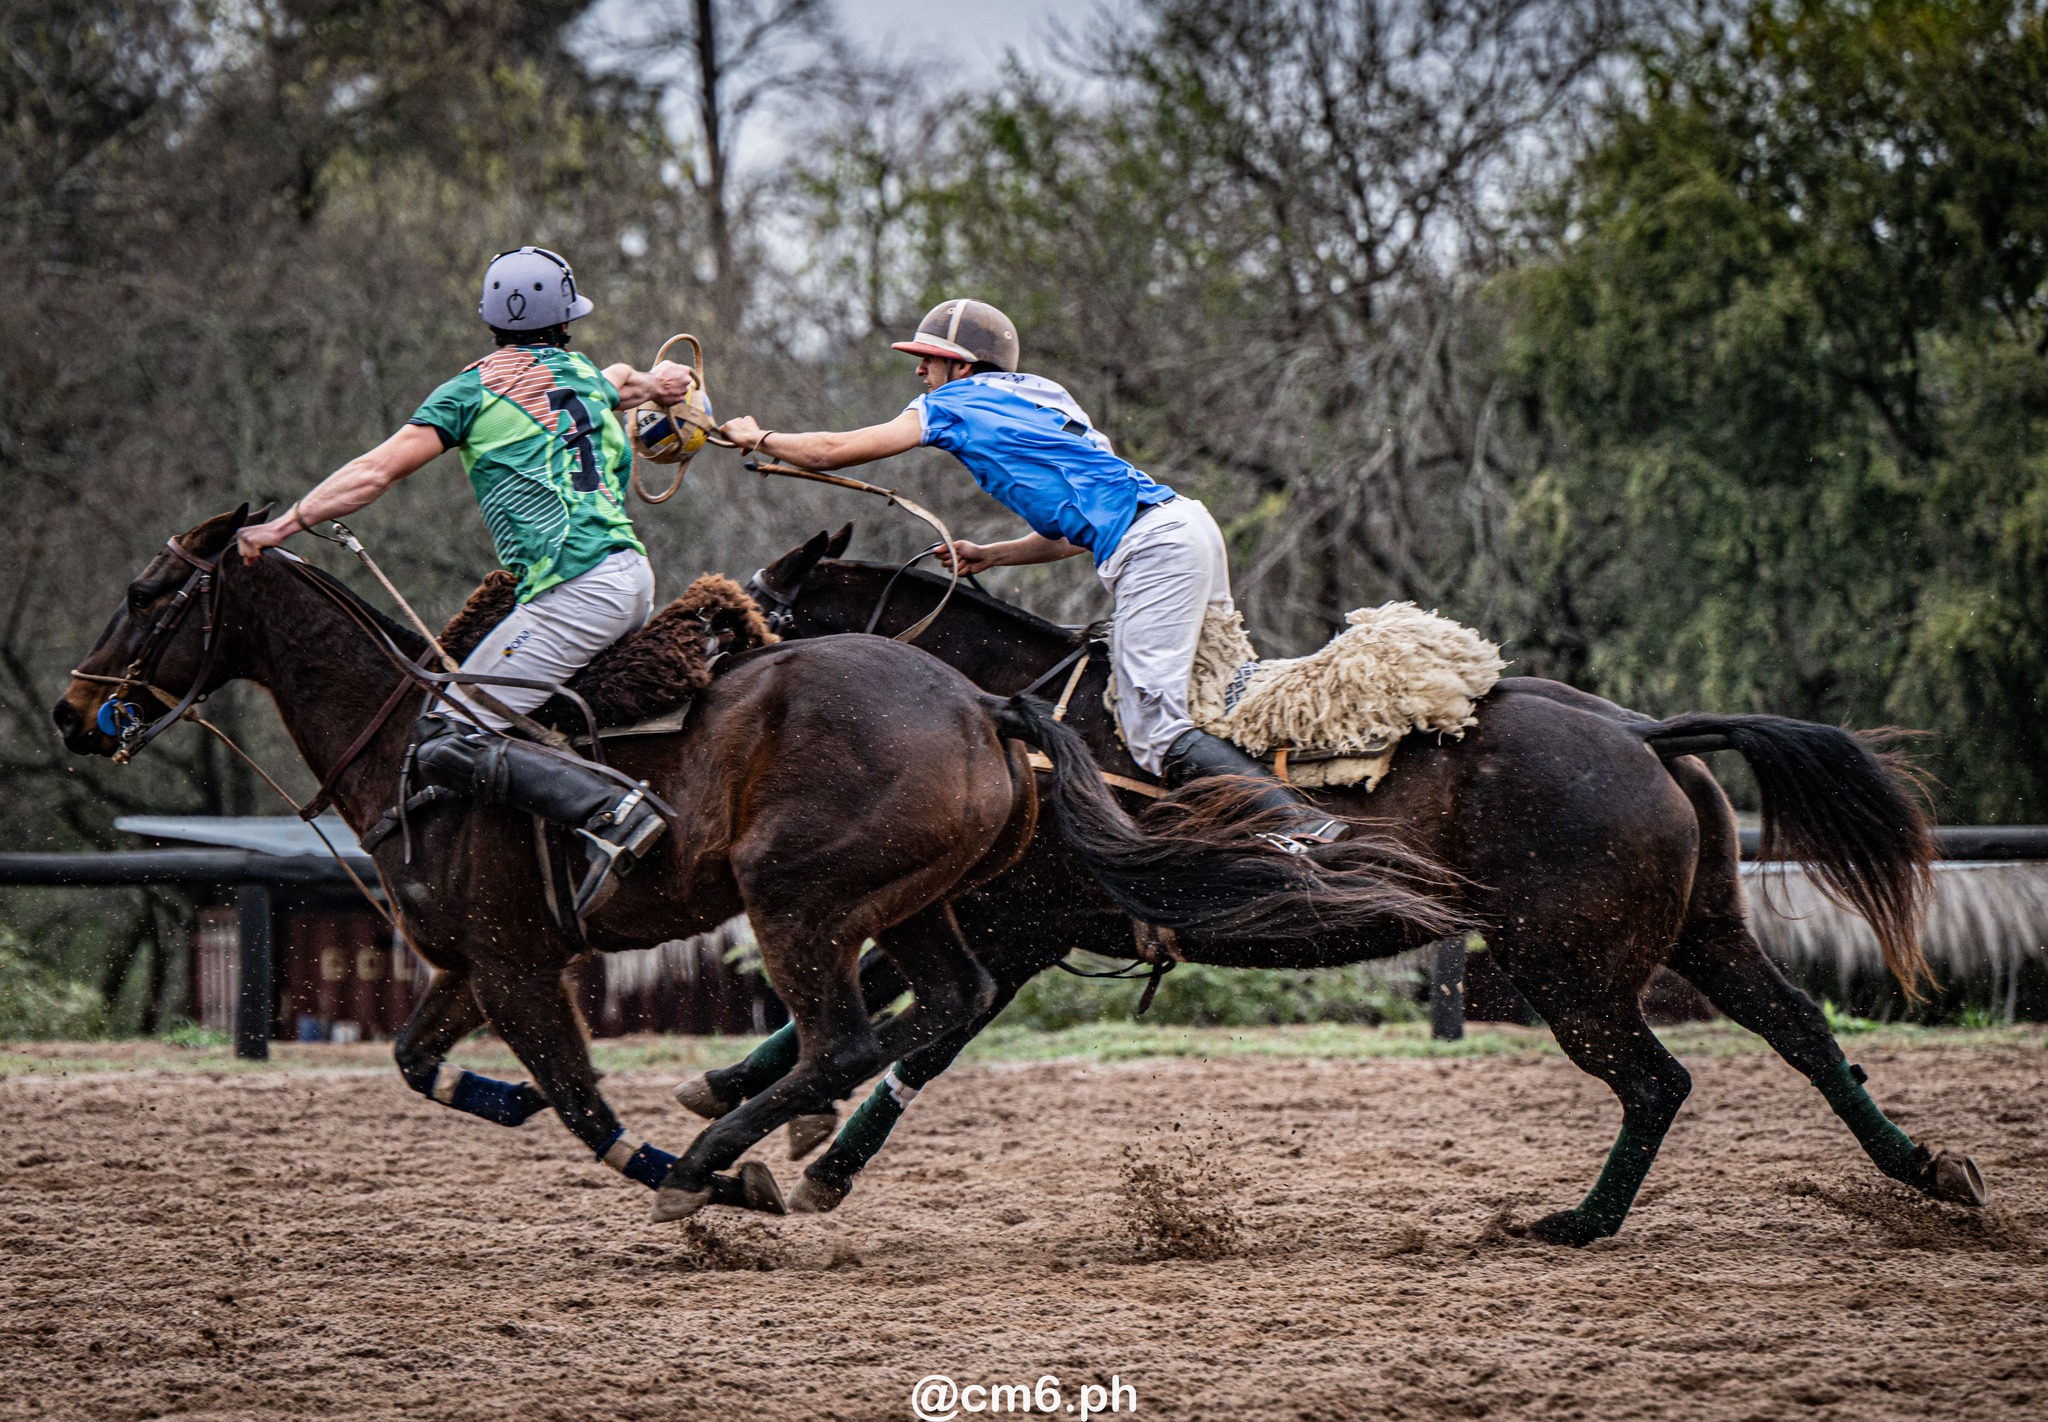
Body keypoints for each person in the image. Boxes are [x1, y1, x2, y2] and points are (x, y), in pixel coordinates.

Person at [717, 297, 1346, 852]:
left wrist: (759, 435)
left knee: (1153, 728)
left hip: (1154, 546)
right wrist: (994, 554)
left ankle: (1299, 826)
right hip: (1185, 527)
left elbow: (832, 452)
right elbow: (1073, 533)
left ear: (961, 367)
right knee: (1211, 686)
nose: (919, 371)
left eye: (929, 359)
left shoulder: (953, 402)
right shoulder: (1043, 394)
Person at [236, 245, 697, 912]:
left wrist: (283, 527)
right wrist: (660, 385)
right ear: (565, 321)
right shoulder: (584, 375)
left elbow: (375, 471)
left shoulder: (472, 391)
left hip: (576, 589)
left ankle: (619, 813)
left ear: (490, 321)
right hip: (627, 578)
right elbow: (622, 377)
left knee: (449, 738)